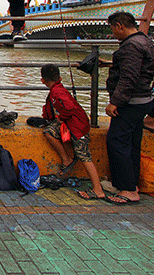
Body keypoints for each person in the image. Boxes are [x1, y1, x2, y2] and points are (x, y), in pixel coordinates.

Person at [104, 11, 154, 205]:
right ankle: (131, 184)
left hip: (130, 102)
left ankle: (128, 189)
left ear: (119, 25)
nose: (113, 32)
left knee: (116, 141)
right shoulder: (143, 40)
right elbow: (136, 69)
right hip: (143, 100)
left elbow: (129, 78)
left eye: (112, 28)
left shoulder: (131, 46)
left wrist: (115, 102)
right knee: (133, 143)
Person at [39, 64, 105, 200]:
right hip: (73, 124)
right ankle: (67, 159)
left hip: (78, 128)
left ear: (43, 80)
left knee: (84, 156)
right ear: (60, 78)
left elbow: (68, 109)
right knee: (49, 132)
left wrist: (61, 118)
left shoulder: (57, 92)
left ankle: (98, 189)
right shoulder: (57, 90)